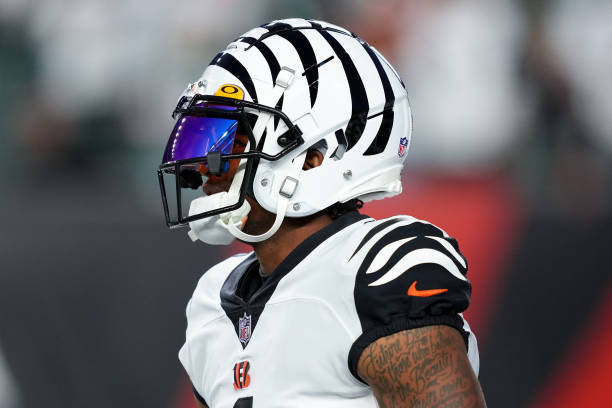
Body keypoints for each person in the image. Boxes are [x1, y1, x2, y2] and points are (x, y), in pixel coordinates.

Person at [158, 18, 486, 408]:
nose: (200, 168)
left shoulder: (374, 270)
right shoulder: (212, 301)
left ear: (313, 158)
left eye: (228, 141)